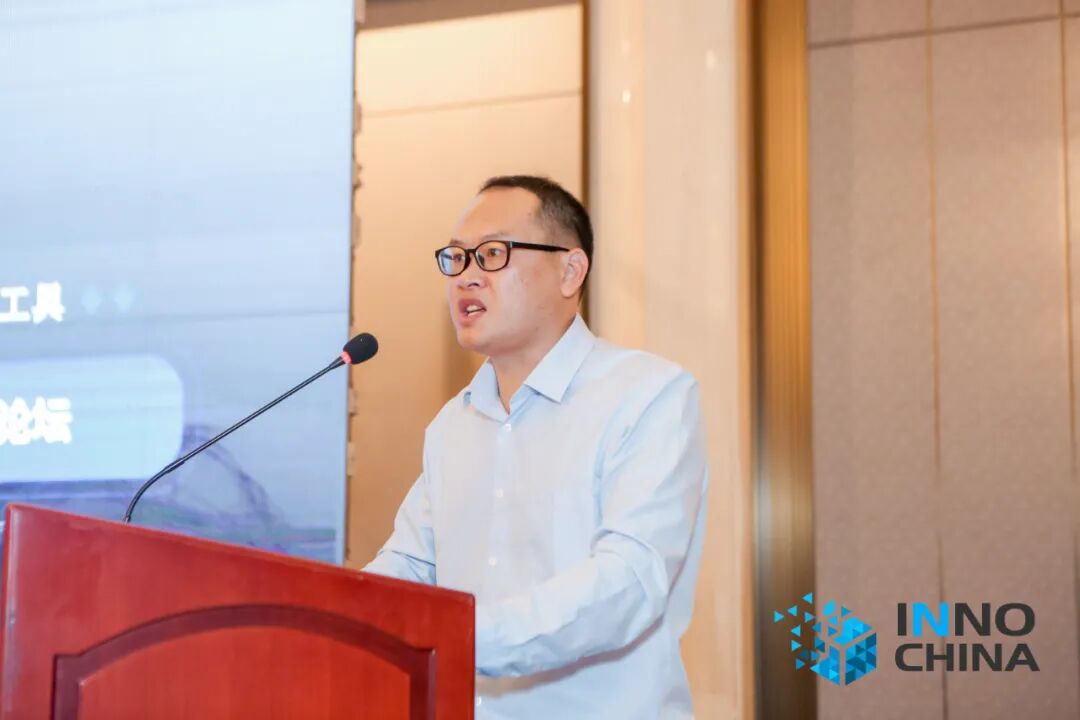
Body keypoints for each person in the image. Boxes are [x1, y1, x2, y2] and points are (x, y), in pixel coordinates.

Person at [364, 175, 709, 719]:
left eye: (492, 254)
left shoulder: (647, 396)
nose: (466, 277)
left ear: (570, 271)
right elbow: (410, 565)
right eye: (457, 258)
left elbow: (628, 580)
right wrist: (335, 616)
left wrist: (461, 635)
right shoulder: (452, 425)